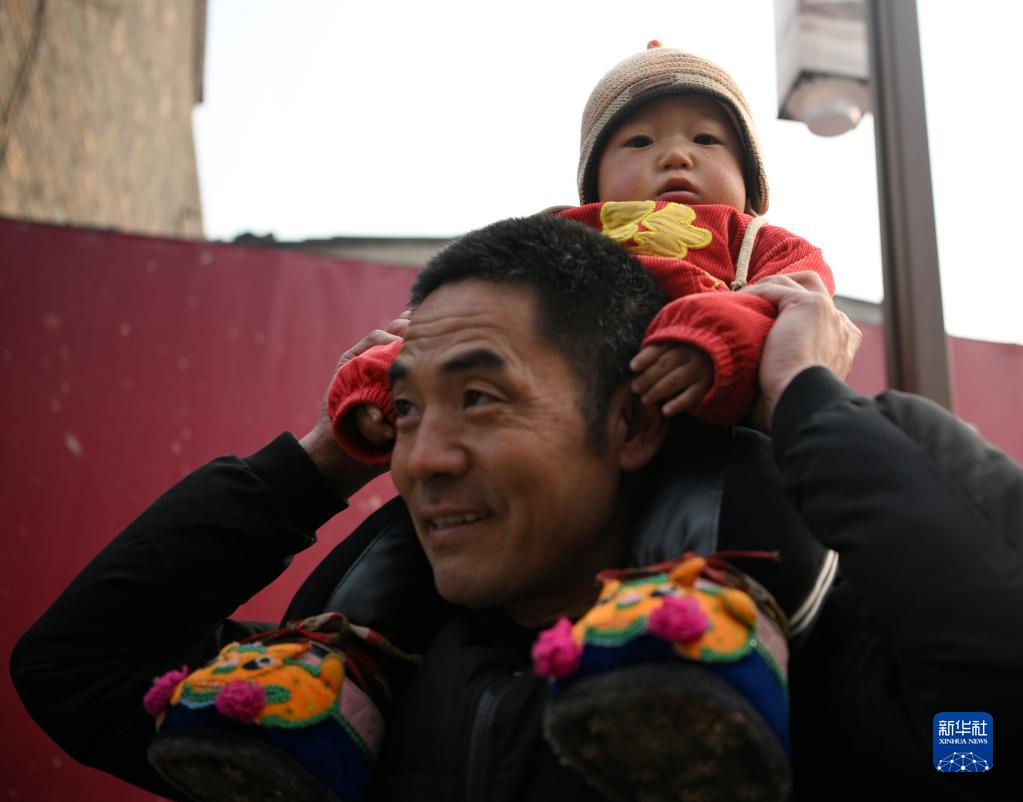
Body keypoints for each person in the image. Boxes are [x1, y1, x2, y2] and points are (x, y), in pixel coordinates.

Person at [11, 214, 1022, 802]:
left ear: (632, 422)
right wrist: (322, 459)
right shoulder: (340, 714)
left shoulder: (817, 694)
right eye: (407, 411)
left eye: (481, 398)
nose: (422, 461)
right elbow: (78, 668)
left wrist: (803, 399)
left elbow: (986, 725)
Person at [330, 42, 834, 468]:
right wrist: (386, 376)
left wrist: (717, 340)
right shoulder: (556, 232)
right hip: (551, 421)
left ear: (749, 183)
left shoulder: (755, 241)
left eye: (706, 139)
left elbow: (787, 305)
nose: (676, 155)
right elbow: (458, 315)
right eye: (639, 142)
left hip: (698, 425)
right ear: (595, 183)